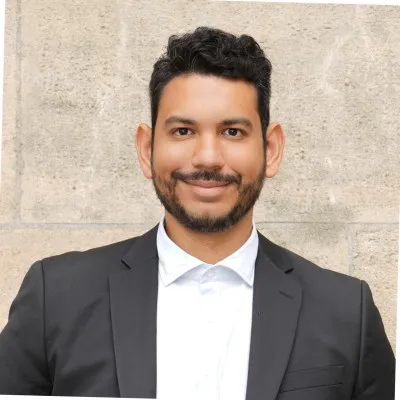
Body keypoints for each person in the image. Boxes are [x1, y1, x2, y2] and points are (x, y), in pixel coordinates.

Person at [0, 26, 395, 400]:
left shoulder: (347, 312)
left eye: (232, 132)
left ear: (271, 149)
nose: (207, 158)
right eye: (183, 131)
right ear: (146, 149)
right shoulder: (57, 298)